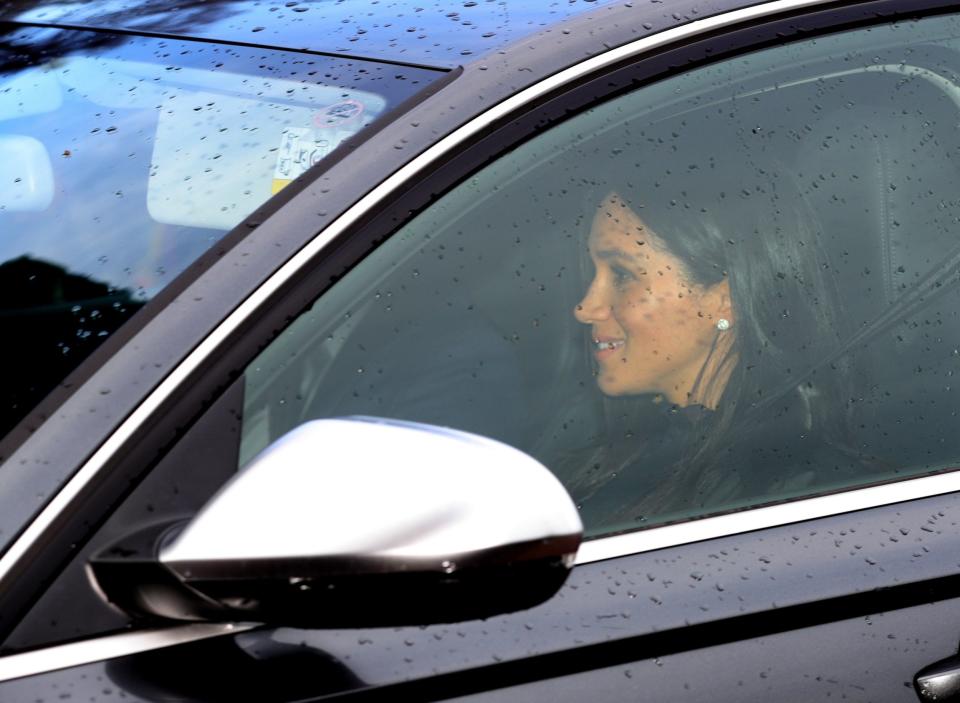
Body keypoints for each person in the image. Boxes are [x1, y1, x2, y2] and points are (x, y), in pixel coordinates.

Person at [563, 138, 872, 533]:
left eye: (622, 275)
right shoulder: (630, 453)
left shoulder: (793, 501)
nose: (585, 307)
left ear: (724, 300)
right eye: (594, 274)